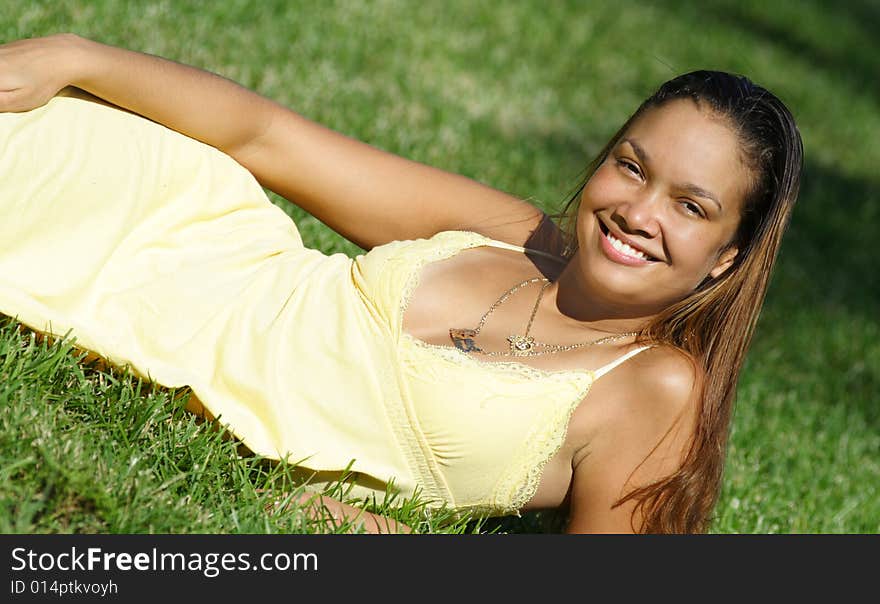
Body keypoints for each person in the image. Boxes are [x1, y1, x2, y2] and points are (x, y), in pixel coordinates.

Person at [0, 33, 802, 534]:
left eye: (691, 206)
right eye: (632, 166)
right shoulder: (517, 232)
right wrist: (79, 57)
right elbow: (269, 139)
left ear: (727, 256)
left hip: (132, 299)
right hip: (168, 221)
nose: (637, 210)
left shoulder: (654, 387)